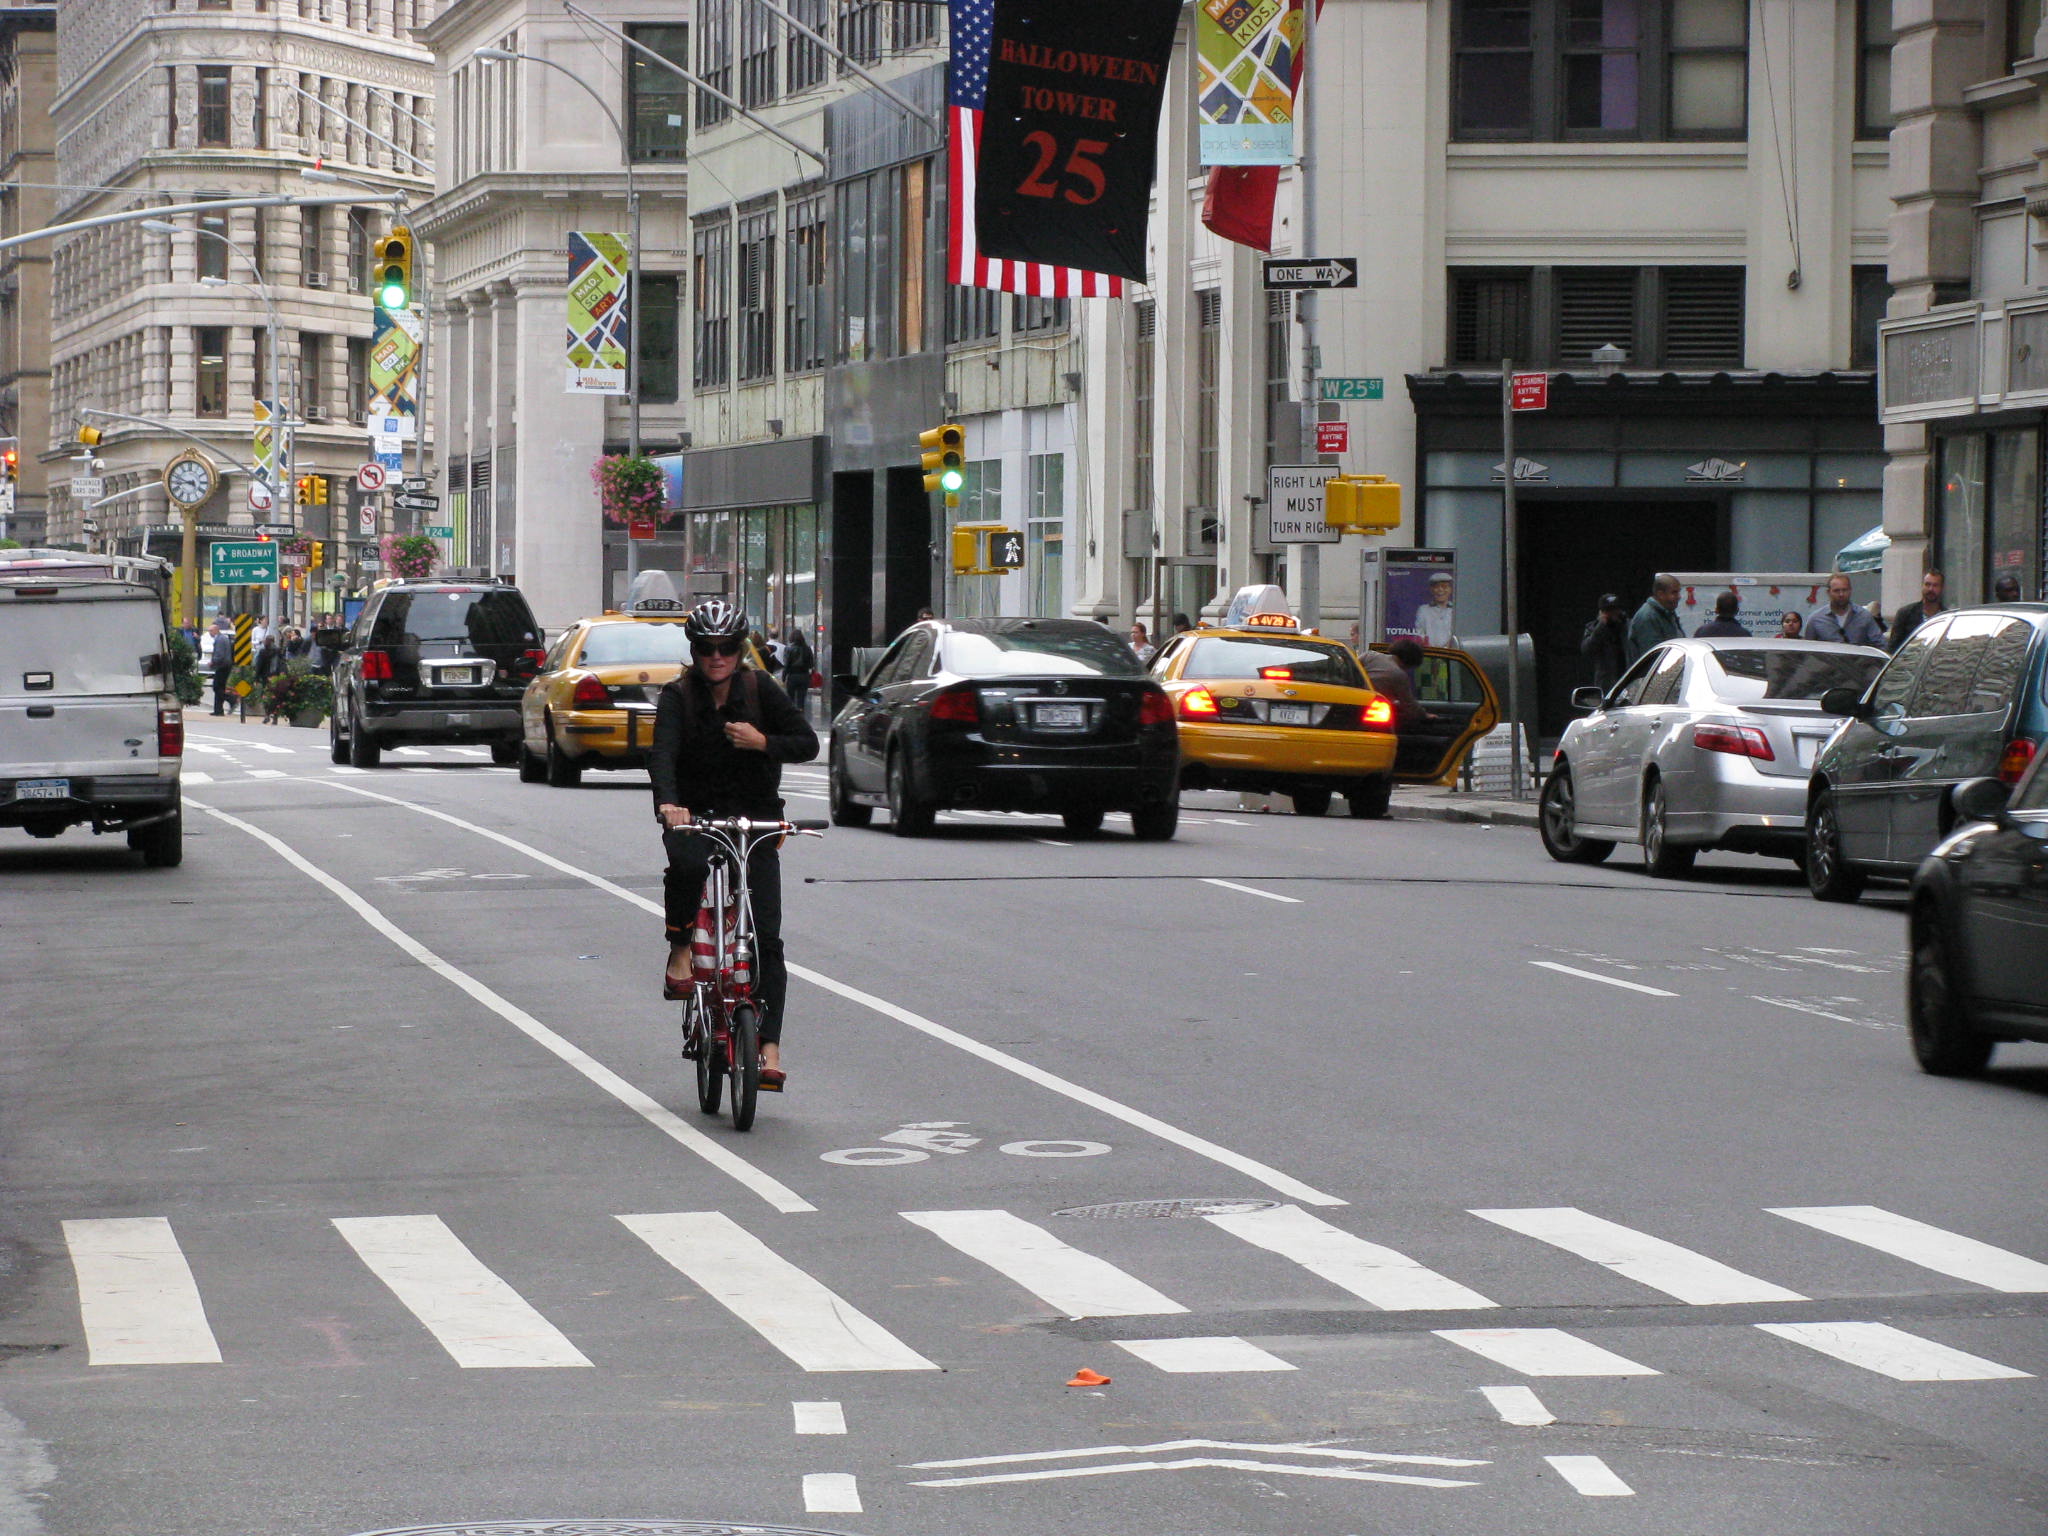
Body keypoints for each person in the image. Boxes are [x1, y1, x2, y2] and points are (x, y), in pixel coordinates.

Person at [650, 600, 819, 1092]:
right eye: (707, 648)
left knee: (766, 937)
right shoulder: (678, 696)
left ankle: (769, 1049)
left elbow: (806, 743)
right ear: (694, 651)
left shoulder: (760, 689)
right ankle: (681, 948)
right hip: (696, 814)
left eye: (727, 647)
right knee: (687, 866)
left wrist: (763, 742)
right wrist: (670, 805)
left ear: (740, 649)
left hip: (755, 815)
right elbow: (662, 755)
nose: (717, 656)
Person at [1806, 573, 1886, 647]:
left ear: (1850, 590)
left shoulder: (1864, 616)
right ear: (1828, 592)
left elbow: (1880, 645)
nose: (1841, 594)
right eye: (1836, 591)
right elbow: (1808, 649)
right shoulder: (1815, 619)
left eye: (1844, 590)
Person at [1360, 639, 1425, 725]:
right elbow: (1408, 704)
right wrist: (1425, 715)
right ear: (1411, 661)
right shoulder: (1399, 675)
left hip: (1354, 704)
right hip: (1374, 713)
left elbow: (1350, 668)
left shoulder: (1369, 656)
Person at [1627, 573, 1684, 663]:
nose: (1679, 596)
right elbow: (1652, 658)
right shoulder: (1647, 617)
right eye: (1674, 592)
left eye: (1679, 592)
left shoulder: (1668, 613)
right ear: (1660, 594)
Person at [1888, 569, 1947, 651]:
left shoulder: (1946, 617)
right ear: (1922, 586)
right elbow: (1893, 649)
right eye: (1927, 584)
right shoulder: (1905, 614)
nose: (1931, 589)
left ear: (1942, 588)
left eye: (1935, 585)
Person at [1580, 593, 1629, 688]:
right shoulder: (1593, 628)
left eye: (1615, 609)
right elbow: (1586, 650)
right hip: (1606, 682)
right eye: (1608, 611)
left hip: (1627, 677)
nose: (1612, 614)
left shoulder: (1628, 626)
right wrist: (1601, 626)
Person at [780, 624, 815, 717]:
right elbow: (811, 664)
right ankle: (801, 715)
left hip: (792, 676)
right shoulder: (807, 649)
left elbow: (786, 665)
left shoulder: (789, 649)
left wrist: (783, 677)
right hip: (804, 676)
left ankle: (792, 716)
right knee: (801, 699)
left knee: (790, 699)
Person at [1416, 574, 1456, 647]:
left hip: (1452, 651)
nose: (1440, 590)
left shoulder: (1456, 610)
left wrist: (1447, 648)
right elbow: (1419, 632)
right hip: (1430, 652)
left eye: (1444, 586)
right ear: (1431, 590)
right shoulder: (1423, 610)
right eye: (1436, 587)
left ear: (1450, 590)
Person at [207, 619, 236, 715]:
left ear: (216, 630)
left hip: (222, 665)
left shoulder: (219, 640)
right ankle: (218, 710)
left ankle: (231, 699)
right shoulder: (223, 638)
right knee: (220, 687)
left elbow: (219, 654)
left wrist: (213, 662)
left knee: (217, 687)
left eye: (211, 631)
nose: (210, 633)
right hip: (226, 665)